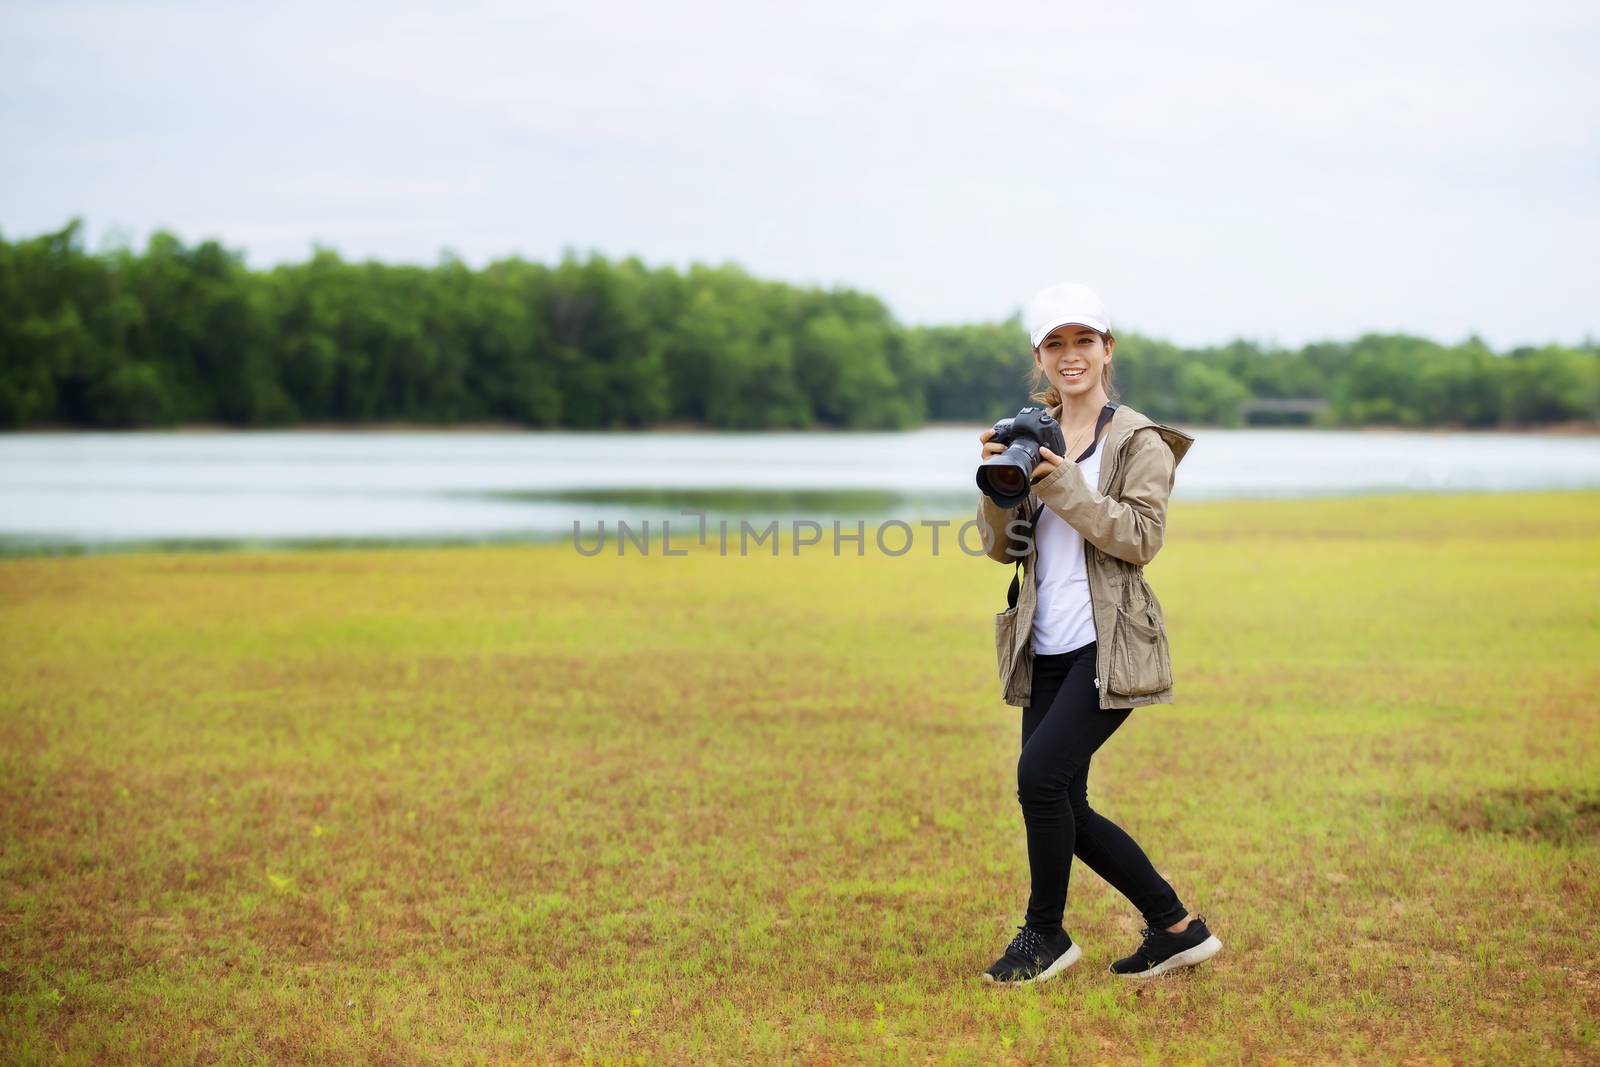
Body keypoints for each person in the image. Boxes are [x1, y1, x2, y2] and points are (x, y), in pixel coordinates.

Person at [973, 282, 1222, 984]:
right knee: (1061, 798)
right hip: (1042, 644)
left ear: (1107, 349)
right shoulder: (1030, 433)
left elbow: (1140, 537)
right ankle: (1176, 926)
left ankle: (1044, 934)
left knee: (1038, 781)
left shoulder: (1137, 439)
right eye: (1056, 343)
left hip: (1107, 646)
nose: (1071, 354)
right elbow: (1004, 547)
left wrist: (1060, 484)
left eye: (1084, 340)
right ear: (1039, 356)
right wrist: (999, 490)